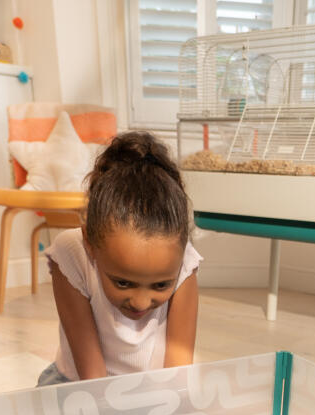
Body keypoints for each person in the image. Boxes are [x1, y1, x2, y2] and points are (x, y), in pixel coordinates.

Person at [37, 130, 201, 386]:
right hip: (80, 384)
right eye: (123, 283)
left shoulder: (185, 261)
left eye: (160, 285)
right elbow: (92, 376)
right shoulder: (71, 253)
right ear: (90, 243)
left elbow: (179, 370)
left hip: (156, 389)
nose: (141, 302)